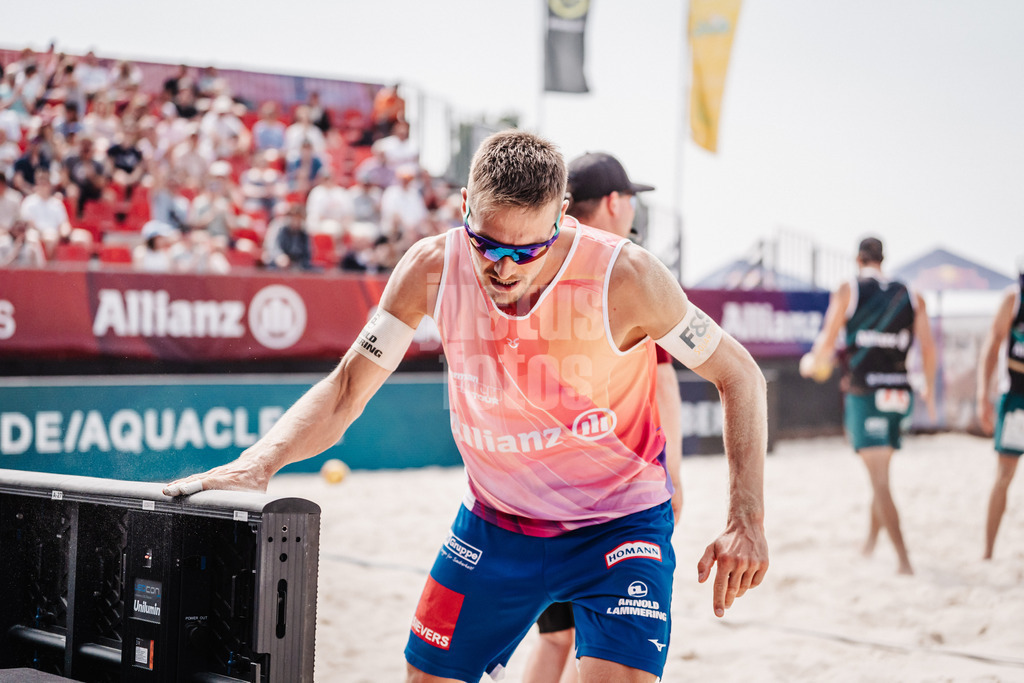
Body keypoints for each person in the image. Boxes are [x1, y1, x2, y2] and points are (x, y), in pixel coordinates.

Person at [164, 130, 768, 683]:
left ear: (561, 215)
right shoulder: (431, 267)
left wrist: (746, 519)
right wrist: (260, 462)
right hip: (496, 523)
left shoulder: (626, 276)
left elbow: (740, 375)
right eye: (486, 244)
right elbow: (349, 387)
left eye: (526, 251)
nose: (502, 267)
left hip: (619, 526)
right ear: (463, 207)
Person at [521, 151, 683, 683]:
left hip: (539, 483)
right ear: (614, 203)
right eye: (631, 198)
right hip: (613, 493)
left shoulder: (532, 265)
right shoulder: (627, 269)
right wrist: (673, 473)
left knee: (554, 640)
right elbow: (661, 378)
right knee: (611, 650)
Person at [801, 237, 937, 575]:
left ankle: (904, 560)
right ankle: (870, 543)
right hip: (900, 395)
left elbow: (827, 340)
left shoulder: (848, 289)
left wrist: (812, 363)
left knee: (879, 482)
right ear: (882, 259)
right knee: (882, 475)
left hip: (866, 394)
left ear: (858, 258)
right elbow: (929, 349)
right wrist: (930, 392)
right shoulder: (912, 294)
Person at [975, 262, 1024, 560]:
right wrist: (983, 394)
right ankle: (988, 552)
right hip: (1017, 398)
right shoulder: (1014, 298)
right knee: (1004, 476)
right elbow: (992, 347)